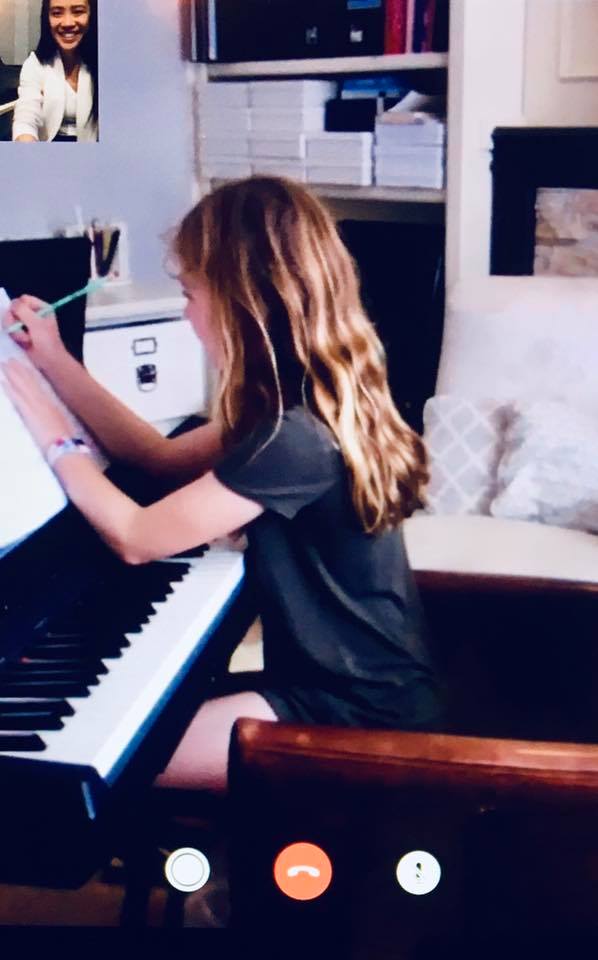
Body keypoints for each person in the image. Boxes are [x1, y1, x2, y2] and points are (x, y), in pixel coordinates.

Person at [1, 176, 444, 795]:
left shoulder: (295, 438)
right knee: (136, 721)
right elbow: (156, 458)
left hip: (352, 711)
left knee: (106, 768)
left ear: (242, 301)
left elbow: (136, 538)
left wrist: (56, 438)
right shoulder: (295, 401)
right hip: (345, 684)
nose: (186, 313)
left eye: (190, 293)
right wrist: (53, 360)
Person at [12, 0, 98, 142]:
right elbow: (26, 116)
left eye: (78, 11)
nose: (67, 23)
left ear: (91, 15)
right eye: (57, 13)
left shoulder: (108, 61)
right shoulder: (35, 64)